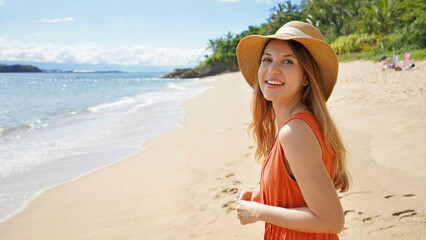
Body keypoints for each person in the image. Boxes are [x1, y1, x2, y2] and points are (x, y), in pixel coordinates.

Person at [235, 21, 351, 239]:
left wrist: (257, 211)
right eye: (267, 59)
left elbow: (332, 220)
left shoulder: (294, 132)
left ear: (306, 77)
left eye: (287, 61)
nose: (273, 69)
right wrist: (263, 195)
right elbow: (301, 189)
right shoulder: (294, 125)